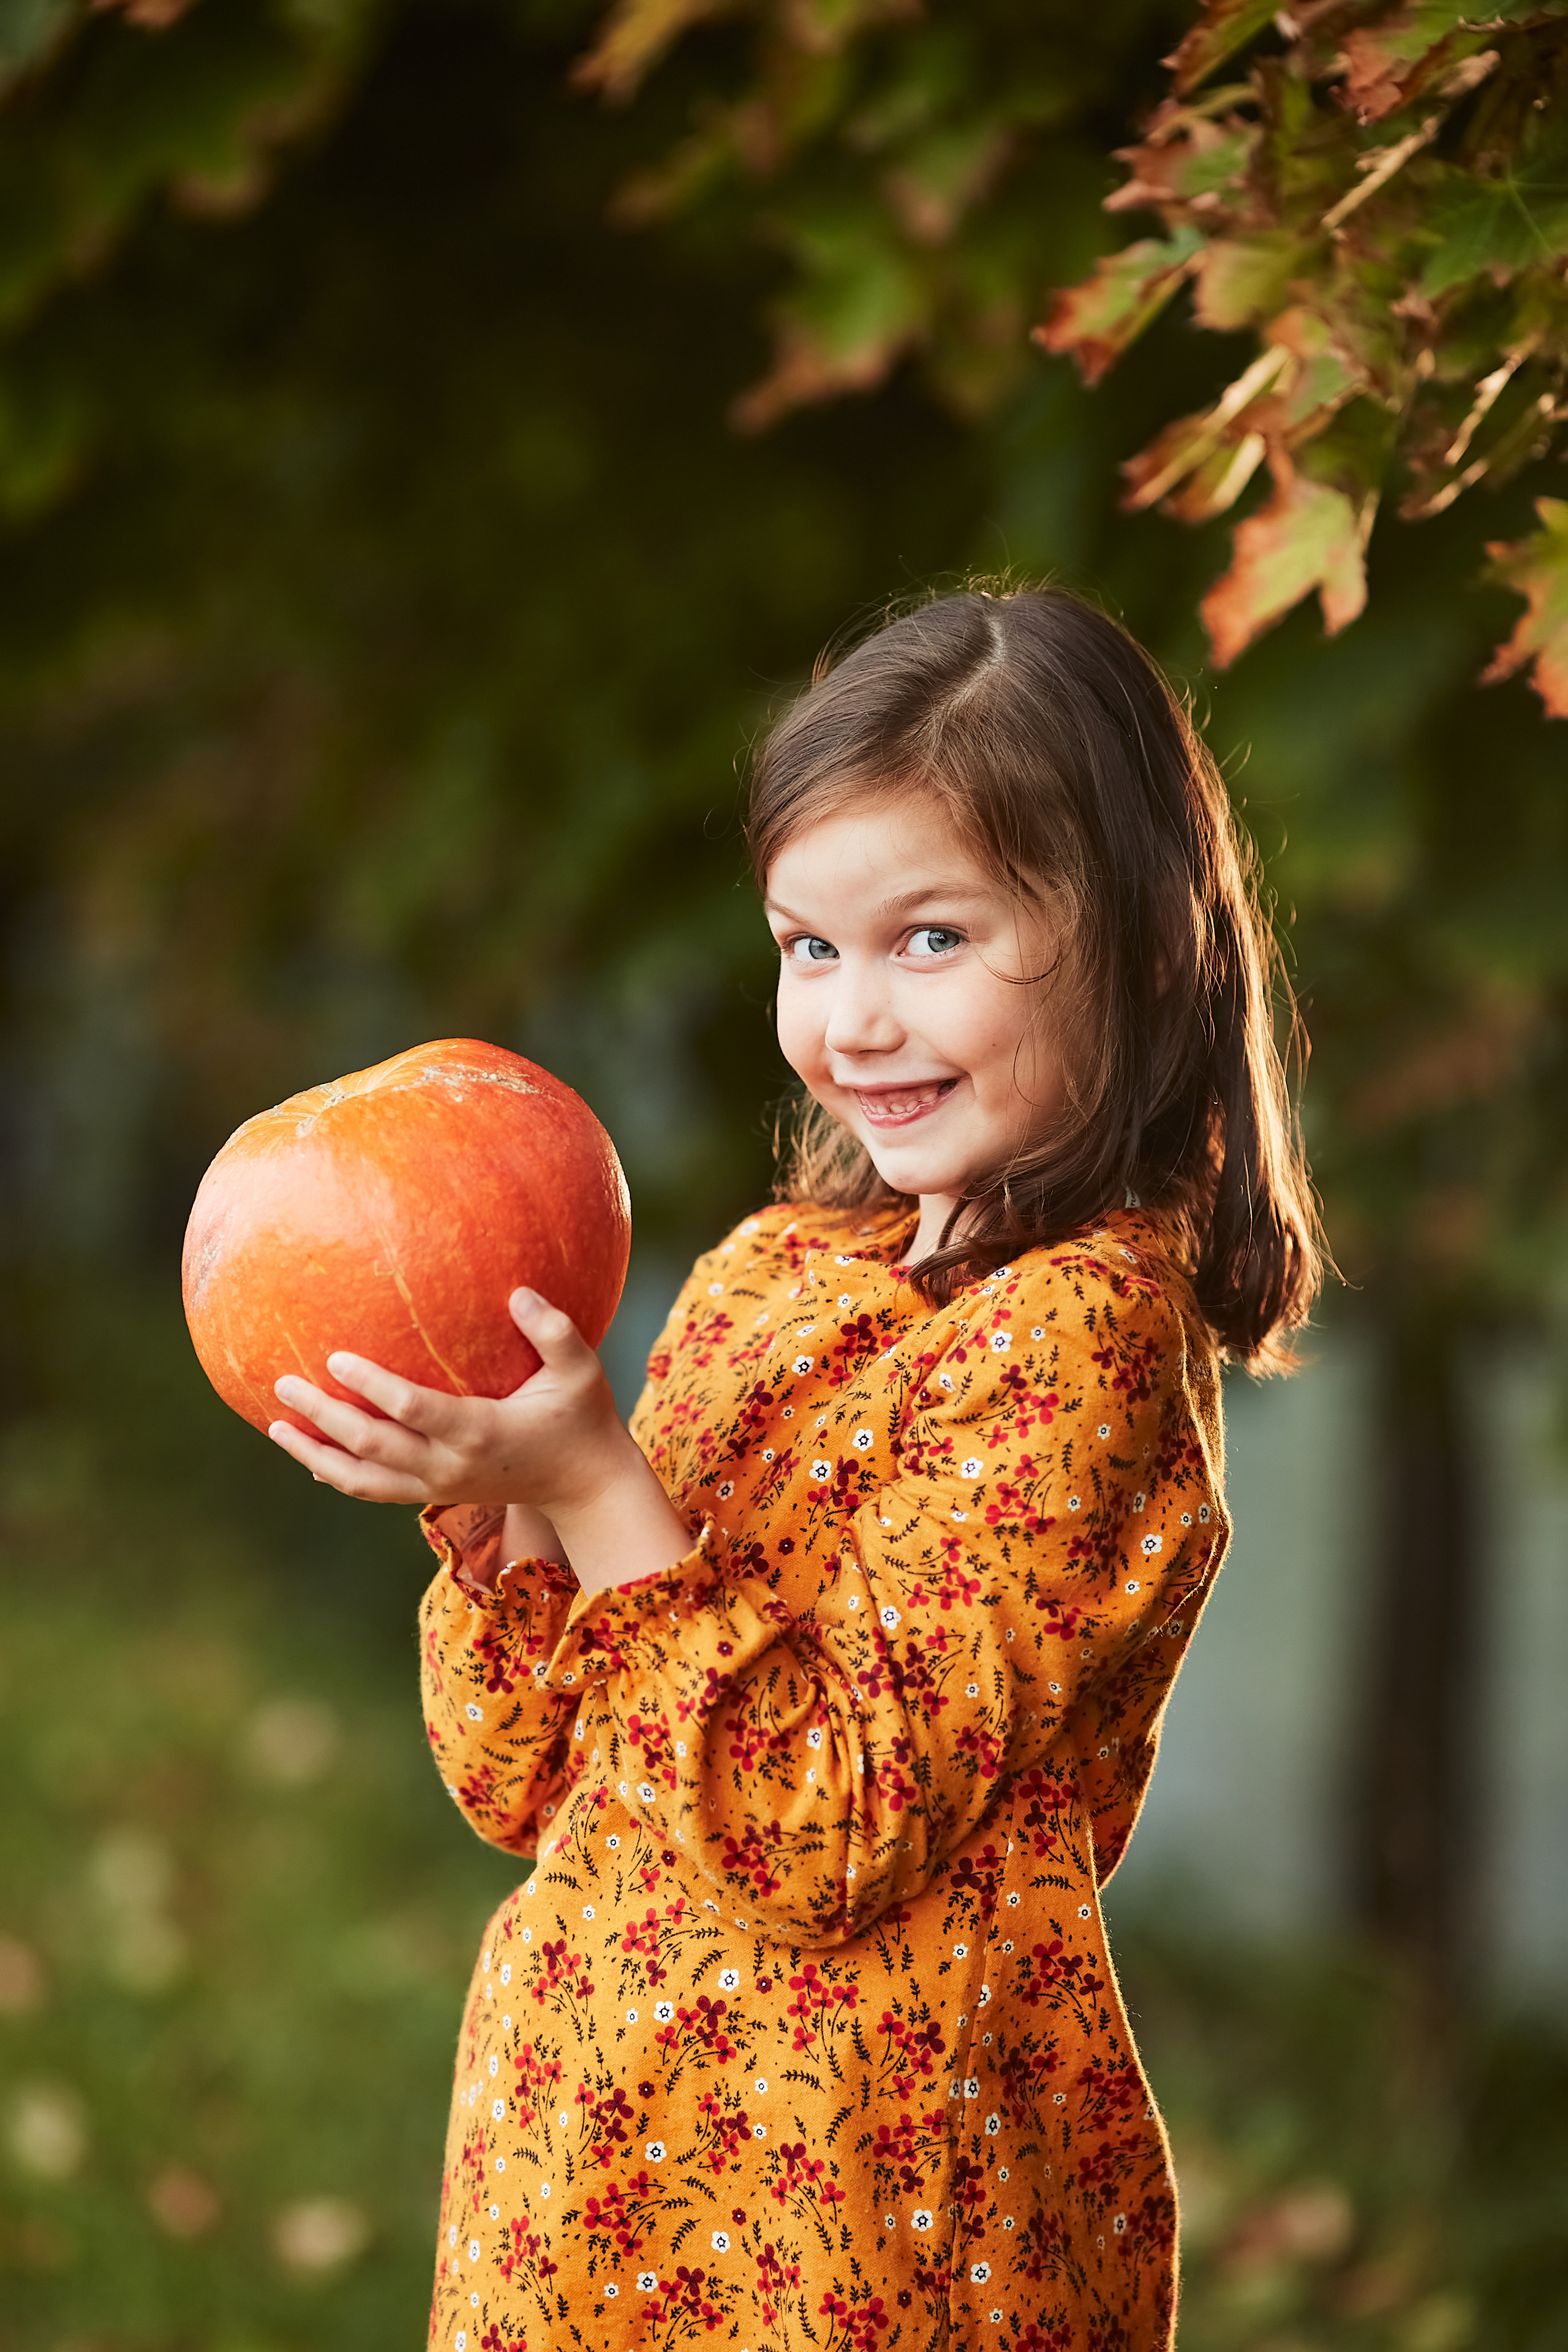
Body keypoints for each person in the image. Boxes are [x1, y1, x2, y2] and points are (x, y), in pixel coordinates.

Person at [269, 586, 1324, 2352]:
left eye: (931, 938)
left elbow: (822, 1823)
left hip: (864, 2225)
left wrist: (607, 1491)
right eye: (808, 946)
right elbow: (523, 1782)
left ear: (1144, 943)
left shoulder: (1079, 1342)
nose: (854, 1020)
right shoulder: (769, 1277)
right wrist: (513, 1507)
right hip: (595, 2164)